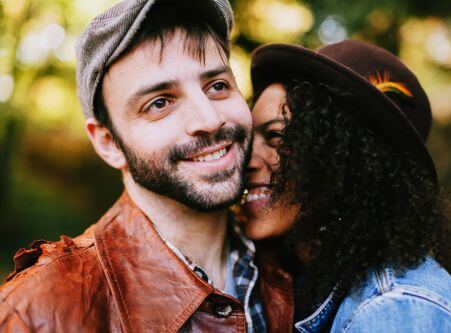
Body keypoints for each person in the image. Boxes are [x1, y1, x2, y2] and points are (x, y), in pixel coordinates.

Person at [0, 1, 293, 332]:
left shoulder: (294, 263)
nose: (209, 120)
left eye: (217, 86)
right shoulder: (33, 313)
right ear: (108, 143)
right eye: (160, 103)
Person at [242, 40, 451, 332]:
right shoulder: (296, 282)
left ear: (345, 161)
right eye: (246, 140)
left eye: (277, 137)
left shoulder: (393, 309)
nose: (247, 162)